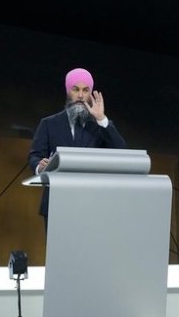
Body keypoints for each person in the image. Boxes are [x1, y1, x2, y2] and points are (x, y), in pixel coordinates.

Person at [27, 67, 127, 227]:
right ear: (68, 91)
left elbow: (122, 154)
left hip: (92, 204)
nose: (80, 95)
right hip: (56, 204)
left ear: (90, 94)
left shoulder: (100, 125)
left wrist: (102, 119)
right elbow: (34, 156)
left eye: (86, 90)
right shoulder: (48, 124)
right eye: (76, 89)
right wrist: (40, 166)